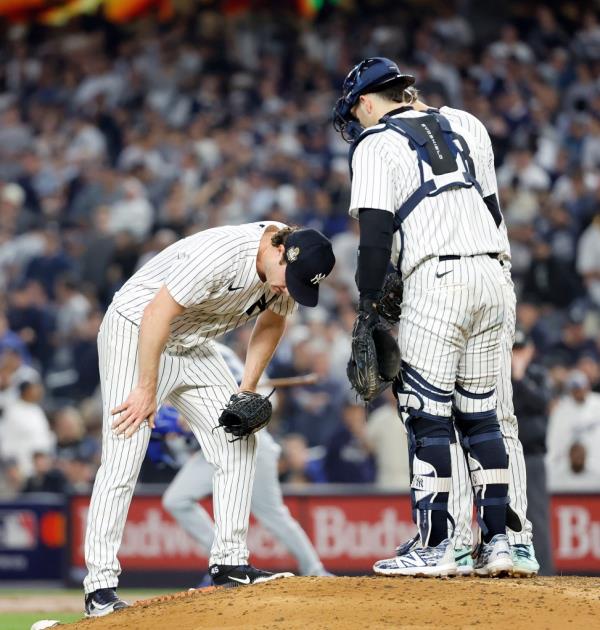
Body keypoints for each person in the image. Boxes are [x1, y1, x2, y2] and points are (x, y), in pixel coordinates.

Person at [83, 221, 335, 616]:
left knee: (239, 436)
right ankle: (99, 587)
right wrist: (147, 389)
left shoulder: (286, 272)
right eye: (292, 279)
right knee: (124, 453)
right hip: (137, 331)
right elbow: (156, 313)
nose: (289, 290)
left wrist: (246, 389)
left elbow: (272, 322)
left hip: (194, 344)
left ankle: (230, 562)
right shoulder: (221, 255)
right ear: (280, 251)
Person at [333, 57, 512, 576]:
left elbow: (374, 235)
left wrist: (367, 308)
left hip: (438, 279)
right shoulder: (468, 123)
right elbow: (493, 213)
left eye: (355, 110)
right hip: (493, 275)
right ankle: (497, 542)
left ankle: (436, 544)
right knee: (480, 414)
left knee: (423, 412)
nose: (356, 120)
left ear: (366, 102)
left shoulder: (375, 143)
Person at [161, 343, 330, 580]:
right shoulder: (173, 354)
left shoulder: (212, 350)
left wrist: (200, 415)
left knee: (272, 515)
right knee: (176, 500)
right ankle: (221, 561)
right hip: (214, 447)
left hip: (250, 442)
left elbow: (261, 405)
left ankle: (316, 571)